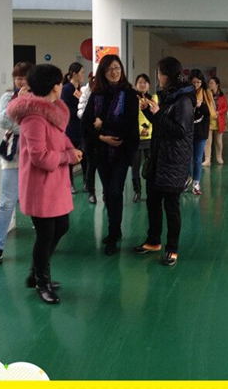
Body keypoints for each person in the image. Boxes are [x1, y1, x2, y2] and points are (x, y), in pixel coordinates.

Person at [7, 64, 83, 304]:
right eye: (60, 82)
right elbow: (39, 156)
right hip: (39, 185)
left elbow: (60, 136)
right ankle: (41, 281)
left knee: (61, 226)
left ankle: (36, 272)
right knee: (46, 233)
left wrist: (70, 148)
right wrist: (67, 156)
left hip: (54, 183)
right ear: (55, 87)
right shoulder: (33, 118)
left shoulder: (52, 111)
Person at [133, 56, 195, 266]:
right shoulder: (168, 96)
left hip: (173, 161)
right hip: (158, 158)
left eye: (159, 73)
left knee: (171, 206)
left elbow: (179, 131)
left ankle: (172, 248)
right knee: (152, 202)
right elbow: (162, 125)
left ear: (168, 75)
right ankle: (153, 241)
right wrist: (147, 111)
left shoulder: (183, 101)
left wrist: (158, 114)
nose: (157, 77)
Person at [81, 54, 140, 256]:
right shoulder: (96, 94)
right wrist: (102, 137)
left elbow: (130, 124)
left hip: (121, 152)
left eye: (117, 68)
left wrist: (103, 123)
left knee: (115, 191)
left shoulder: (129, 94)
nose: (114, 72)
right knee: (108, 192)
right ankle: (115, 228)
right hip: (100, 151)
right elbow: (86, 123)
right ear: (103, 72)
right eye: (109, 69)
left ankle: (113, 234)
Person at [0, 62, 33, 266]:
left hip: (35, 156)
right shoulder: (8, 97)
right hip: (12, 156)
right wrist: (20, 104)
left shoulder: (40, 97)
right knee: (7, 202)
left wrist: (25, 126)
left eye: (24, 77)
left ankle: (45, 242)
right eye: (17, 78)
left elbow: (41, 124)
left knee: (37, 201)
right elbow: (2, 121)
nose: (20, 81)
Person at [131, 73, 158, 202]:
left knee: (150, 167)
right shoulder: (132, 99)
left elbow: (155, 116)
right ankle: (137, 191)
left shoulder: (153, 98)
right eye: (140, 82)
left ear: (149, 85)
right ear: (136, 84)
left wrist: (147, 128)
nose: (142, 84)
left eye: (145, 82)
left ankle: (150, 191)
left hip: (149, 137)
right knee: (135, 167)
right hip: (135, 137)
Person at [61, 62, 86, 194]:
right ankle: (69, 183)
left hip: (81, 128)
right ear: (74, 74)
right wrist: (81, 111)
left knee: (84, 156)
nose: (83, 75)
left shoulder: (80, 89)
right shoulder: (66, 89)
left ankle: (87, 182)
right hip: (71, 128)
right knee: (71, 157)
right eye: (81, 72)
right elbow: (67, 109)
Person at [188, 69, 215, 195]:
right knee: (187, 157)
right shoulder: (186, 93)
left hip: (201, 129)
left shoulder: (207, 93)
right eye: (193, 82)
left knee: (198, 159)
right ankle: (187, 179)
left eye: (198, 82)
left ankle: (196, 183)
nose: (196, 85)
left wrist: (201, 106)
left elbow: (210, 112)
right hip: (187, 129)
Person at [77, 74, 99, 204]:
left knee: (104, 165)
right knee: (91, 164)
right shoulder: (85, 93)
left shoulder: (106, 94)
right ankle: (91, 191)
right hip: (89, 134)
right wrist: (91, 119)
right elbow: (80, 112)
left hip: (103, 133)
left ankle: (105, 193)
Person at [203, 76, 228, 166]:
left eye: (212, 83)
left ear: (217, 84)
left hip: (219, 120)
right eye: (209, 83)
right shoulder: (206, 94)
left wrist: (218, 112)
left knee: (218, 141)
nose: (210, 85)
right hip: (209, 120)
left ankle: (219, 157)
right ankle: (207, 159)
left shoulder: (222, 95)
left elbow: (226, 107)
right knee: (208, 141)